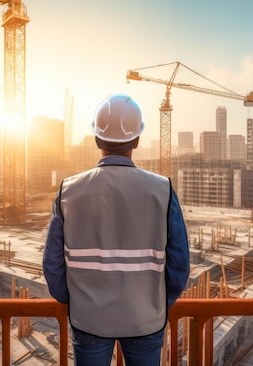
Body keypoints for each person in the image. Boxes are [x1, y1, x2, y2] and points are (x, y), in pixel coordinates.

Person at [42, 93, 190, 366]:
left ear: (97, 139)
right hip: (145, 318)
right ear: (136, 140)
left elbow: (52, 263)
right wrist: (156, 302)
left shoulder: (69, 191)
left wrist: (74, 300)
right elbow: (179, 264)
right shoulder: (163, 190)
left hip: (89, 319)